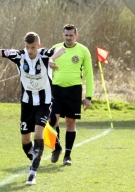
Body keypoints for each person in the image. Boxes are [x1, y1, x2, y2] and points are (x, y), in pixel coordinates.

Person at [0, 32, 65, 185]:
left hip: (44, 102)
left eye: (33, 47)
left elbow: (62, 49)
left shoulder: (44, 54)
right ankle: (38, 158)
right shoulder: (18, 55)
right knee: (25, 140)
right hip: (27, 103)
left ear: (39, 46)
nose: (30, 51)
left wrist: (51, 59)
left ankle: (32, 173)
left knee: (38, 133)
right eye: (27, 47)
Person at [49, 24, 93, 166]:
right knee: (52, 122)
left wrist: (88, 97)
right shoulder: (55, 49)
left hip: (74, 90)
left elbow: (89, 74)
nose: (68, 38)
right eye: (66, 35)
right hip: (56, 89)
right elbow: (45, 66)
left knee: (70, 122)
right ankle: (56, 148)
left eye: (71, 35)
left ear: (76, 36)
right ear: (63, 35)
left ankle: (67, 155)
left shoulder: (83, 51)